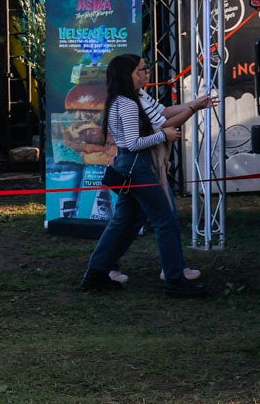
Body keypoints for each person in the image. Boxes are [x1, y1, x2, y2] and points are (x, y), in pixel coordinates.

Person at [80, 54, 214, 296]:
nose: (146, 73)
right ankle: (175, 280)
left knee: (122, 223)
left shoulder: (124, 99)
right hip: (136, 167)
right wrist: (164, 136)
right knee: (165, 220)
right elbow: (133, 143)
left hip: (128, 166)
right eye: (141, 70)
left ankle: (95, 274)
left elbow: (157, 117)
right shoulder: (129, 103)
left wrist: (192, 106)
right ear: (128, 75)